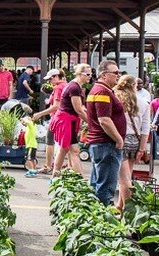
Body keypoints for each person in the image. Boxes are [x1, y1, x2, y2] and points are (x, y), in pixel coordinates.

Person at [86, 60, 126, 206]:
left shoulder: (98, 89)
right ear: (104, 75)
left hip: (100, 143)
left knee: (98, 183)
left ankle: (95, 215)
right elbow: (104, 120)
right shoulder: (102, 91)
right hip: (106, 144)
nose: (118, 75)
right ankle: (102, 219)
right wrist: (119, 139)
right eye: (115, 72)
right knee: (105, 186)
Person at [114, 75, 150, 211]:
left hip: (120, 138)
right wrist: (142, 148)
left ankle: (129, 212)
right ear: (135, 86)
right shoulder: (144, 102)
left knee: (124, 179)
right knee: (127, 175)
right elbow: (145, 128)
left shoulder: (117, 99)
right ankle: (120, 206)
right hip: (135, 140)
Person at [49, 63, 91, 177]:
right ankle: (80, 179)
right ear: (79, 74)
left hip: (67, 120)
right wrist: (91, 123)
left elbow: (80, 108)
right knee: (74, 151)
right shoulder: (74, 87)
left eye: (90, 74)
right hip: (66, 121)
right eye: (87, 74)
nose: (89, 76)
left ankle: (55, 175)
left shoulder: (75, 86)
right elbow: (78, 109)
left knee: (65, 149)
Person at [32, 68, 66, 174]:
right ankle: (67, 165)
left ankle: (48, 165)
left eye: (50, 79)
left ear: (56, 77)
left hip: (57, 118)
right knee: (66, 144)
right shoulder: (66, 85)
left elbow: (56, 106)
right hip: (64, 119)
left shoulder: (58, 88)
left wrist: (40, 114)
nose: (49, 82)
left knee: (50, 141)